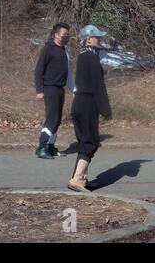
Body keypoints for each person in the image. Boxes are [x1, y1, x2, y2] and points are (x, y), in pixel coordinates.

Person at [68, 25, 111, 193]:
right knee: (90, 141)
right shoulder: (91, 58)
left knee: (84, 140)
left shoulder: (82, 56)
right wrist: (105, 109)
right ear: (88, 39)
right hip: (87, 104)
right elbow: (98, 86)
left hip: (79, 102)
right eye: (96, 37)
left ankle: (82, 179)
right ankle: (77, 179)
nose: (99, 40)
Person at [34, 23, 75, 159]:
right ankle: (41, 148)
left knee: (57, 120)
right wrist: (39, 90)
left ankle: (50, 147)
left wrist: (74, 89)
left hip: (60, 89)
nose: (66, 36)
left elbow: (68, 72)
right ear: (56, 35)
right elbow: (39, 70)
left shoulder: (64, 50)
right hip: (50, 88)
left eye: (68, 34)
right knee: (51, 119)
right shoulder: (48, 49)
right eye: (64, 33)